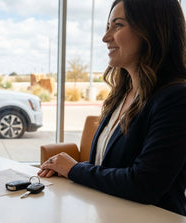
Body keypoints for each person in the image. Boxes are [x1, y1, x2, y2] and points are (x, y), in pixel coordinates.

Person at [38, 0, 186, 216]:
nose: (106, 38)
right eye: (108, 26)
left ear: (151, 29)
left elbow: (144, 185)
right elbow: (106, 166)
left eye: (117, 25)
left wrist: (73, 169)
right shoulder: (121, 94)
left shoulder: (176, 97)